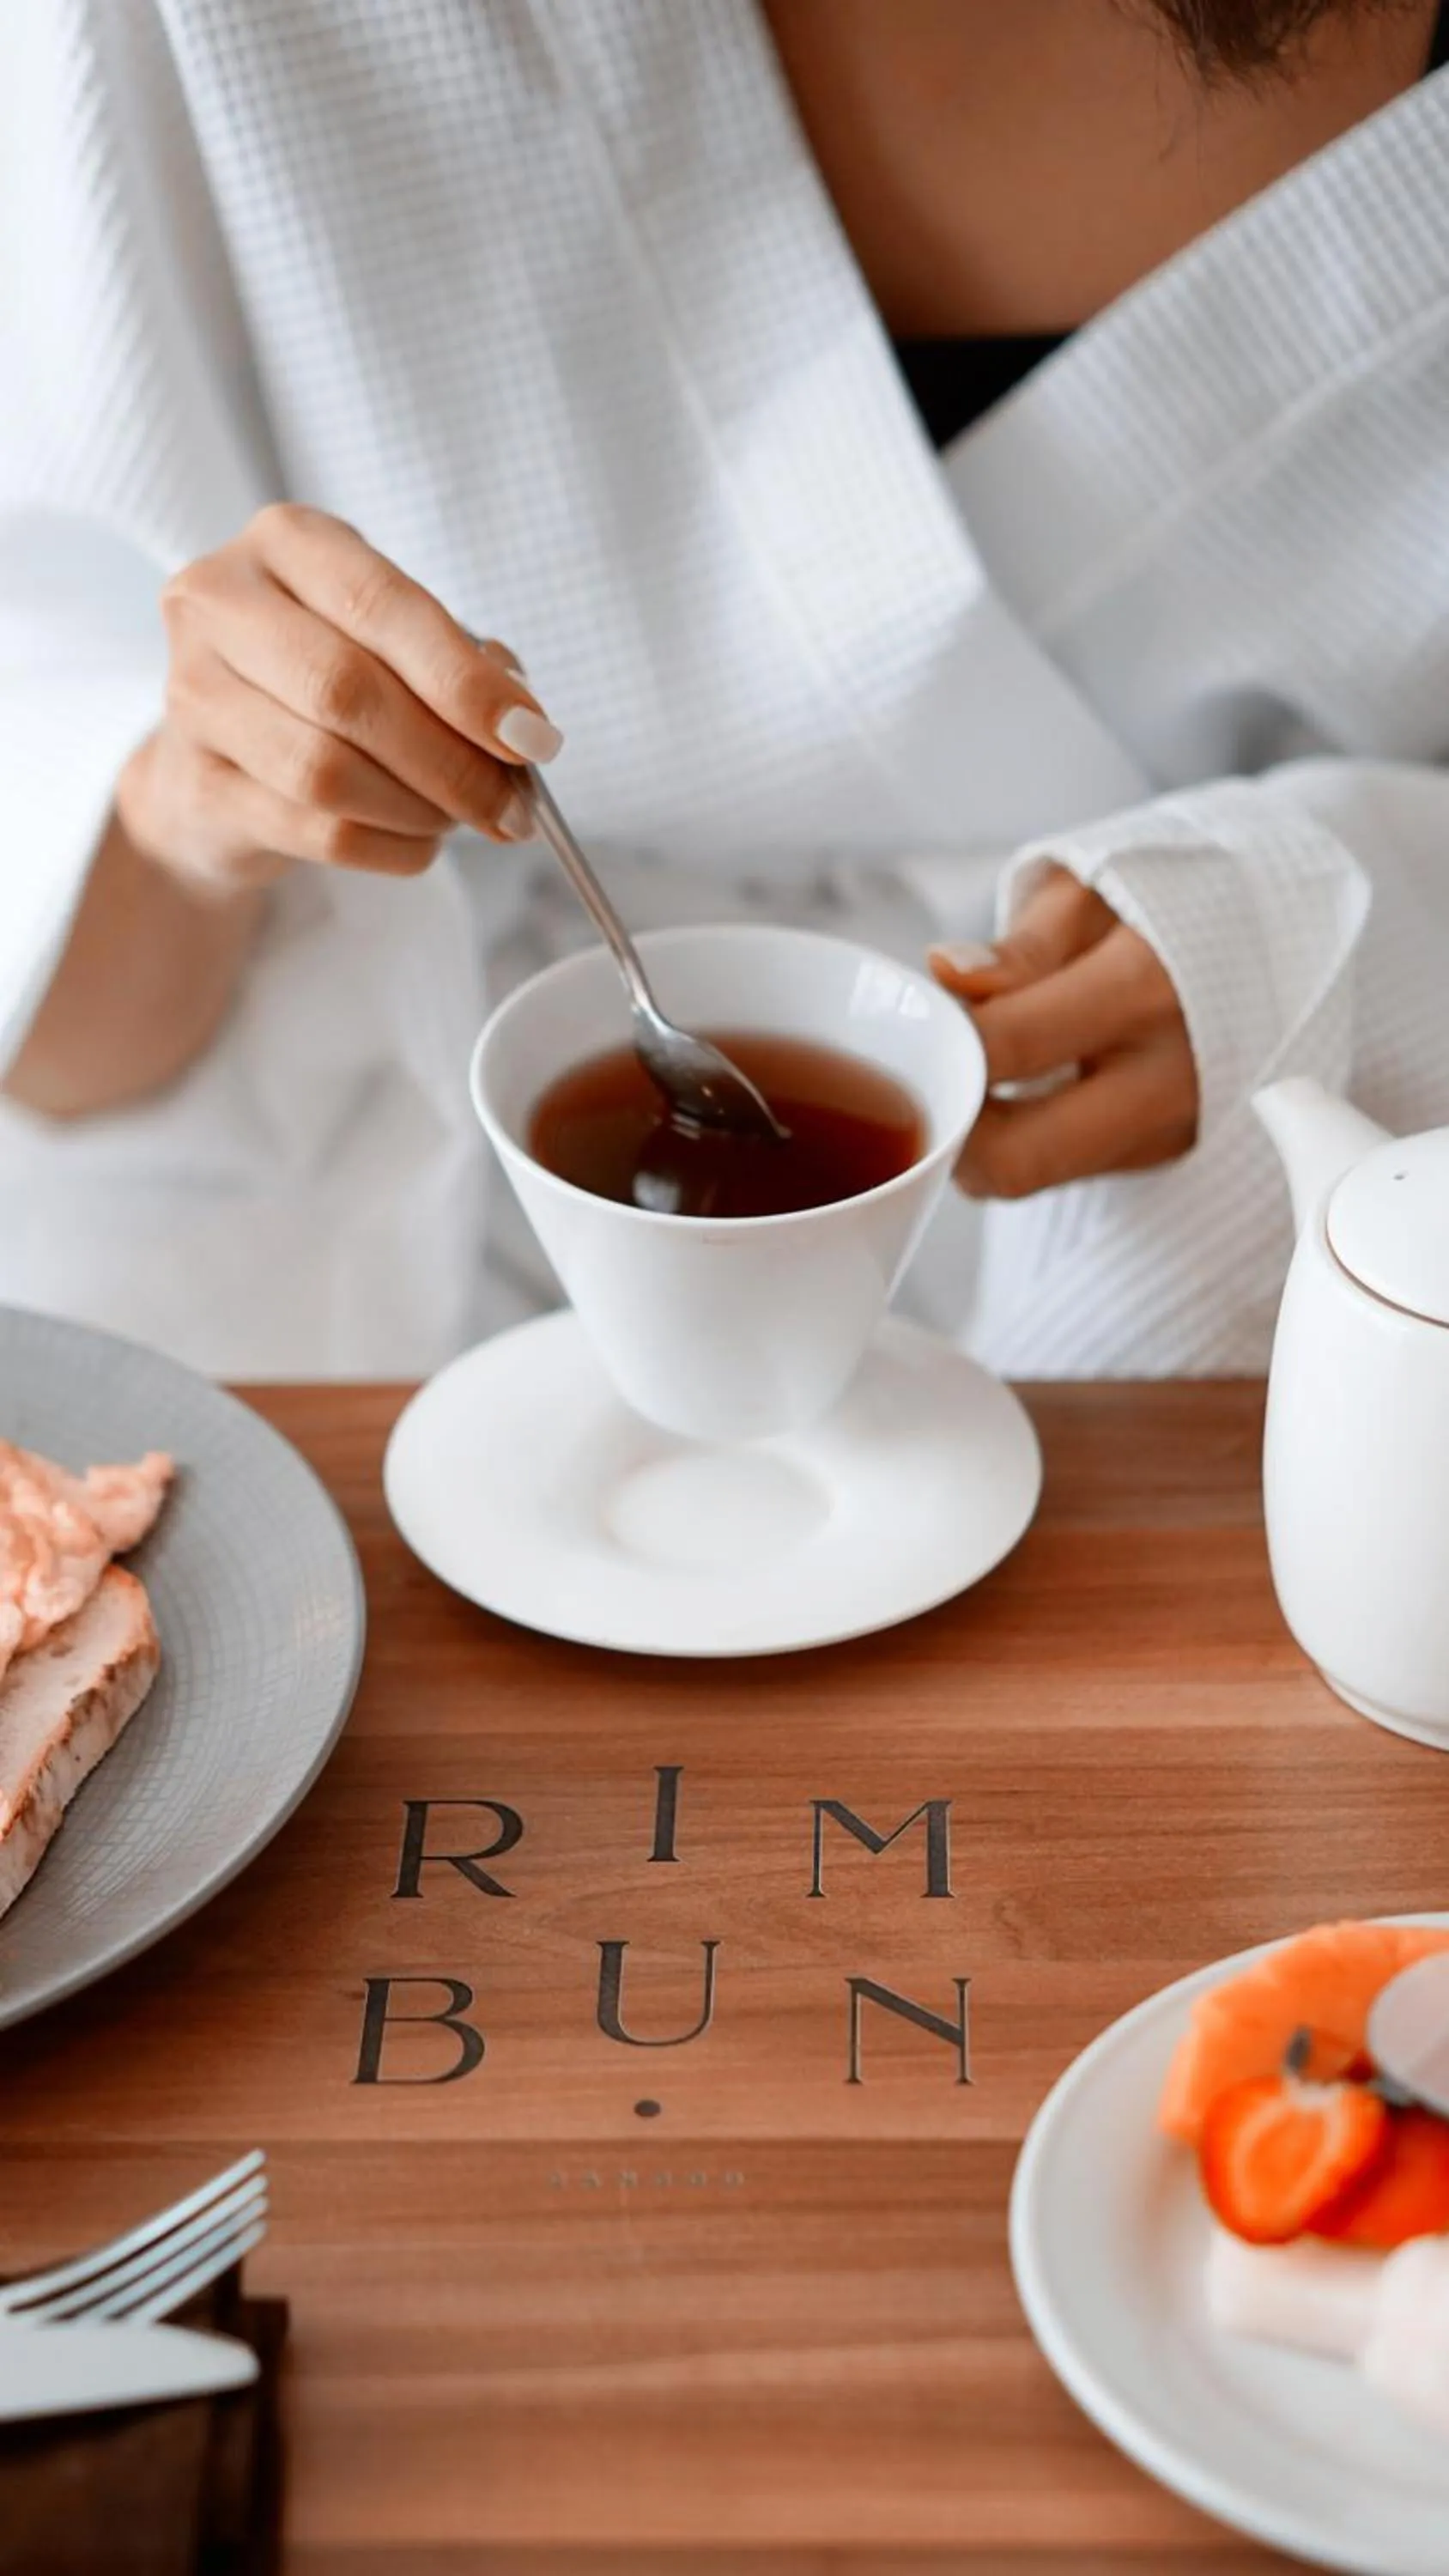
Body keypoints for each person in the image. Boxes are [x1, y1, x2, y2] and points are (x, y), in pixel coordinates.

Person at [3, 0, 1446, 1380]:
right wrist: (185, 813)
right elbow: (60, 1051)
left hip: (1281, 1314)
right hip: (363, 1308)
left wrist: (1338, 928)